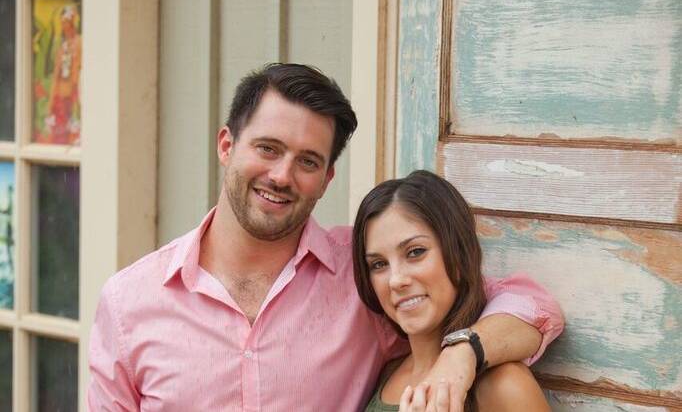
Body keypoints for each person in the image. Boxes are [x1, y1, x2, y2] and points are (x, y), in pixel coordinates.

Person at [88, 63, 563, 411]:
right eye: (267, 148)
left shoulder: (363, 276)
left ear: (327, 178)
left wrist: (464, 353)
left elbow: (527, 303)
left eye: (307, 161)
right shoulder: (130, 302)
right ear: (227, 145)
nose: (281, 175)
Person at [354, 170, 551, 412]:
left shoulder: (503, 386)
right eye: (379, 264)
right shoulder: (389, 372)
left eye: (415, 252)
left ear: (458, 252)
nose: (396, 280)